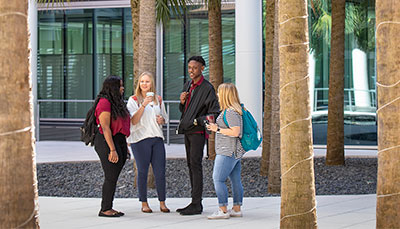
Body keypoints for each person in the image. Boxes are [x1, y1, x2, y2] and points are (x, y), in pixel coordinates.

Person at [176, 56, 220, 215]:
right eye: (189, 67)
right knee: (190, 164)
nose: (191, 71)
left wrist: (197, 121)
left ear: (202, 68)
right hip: (187, 131)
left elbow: (214, 113)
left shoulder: (207, 88)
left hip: (197, 132)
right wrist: (182, 103)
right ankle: (194, 202)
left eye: (194, 68)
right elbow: (185, 111)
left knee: (195, 165)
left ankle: (197, 204)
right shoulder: (188, 85)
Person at [127, 72, 170, 213]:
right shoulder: (133, 100)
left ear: (152, 83)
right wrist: (143, 105)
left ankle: (162, 202)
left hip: (157, 138)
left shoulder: (158, 99)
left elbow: (164, 118)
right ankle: (144, 203)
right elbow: (133, 121)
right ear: (139, 84)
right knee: (143, 172)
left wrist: (162, 120)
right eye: (142, 82)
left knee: (160, 172)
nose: (144, 84)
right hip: (140, 140)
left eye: (147, 82)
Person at [206, 83, 245, 219]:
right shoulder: (235, 110)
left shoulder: (230, 112)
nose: (217, 95)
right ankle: (236, 208)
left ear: (225, 95)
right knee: (235, 180)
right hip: (233, 151)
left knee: (218, 179)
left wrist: (217, 129)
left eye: (219, 93)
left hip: (227, 151)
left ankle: (223, 210)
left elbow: (235, 132)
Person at [94, 75, 130, 217]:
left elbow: (120, 125)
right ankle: (105, 208)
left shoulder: (117, 102)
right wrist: (112, 149)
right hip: (106, 141)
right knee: (111, 175)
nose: (122, 88)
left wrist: (124, 146)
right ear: (113, 87)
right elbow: (106, 128)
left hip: (119, 139)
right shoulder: (104, 103)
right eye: (120, 85)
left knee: (114, 174)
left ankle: (109, 206)